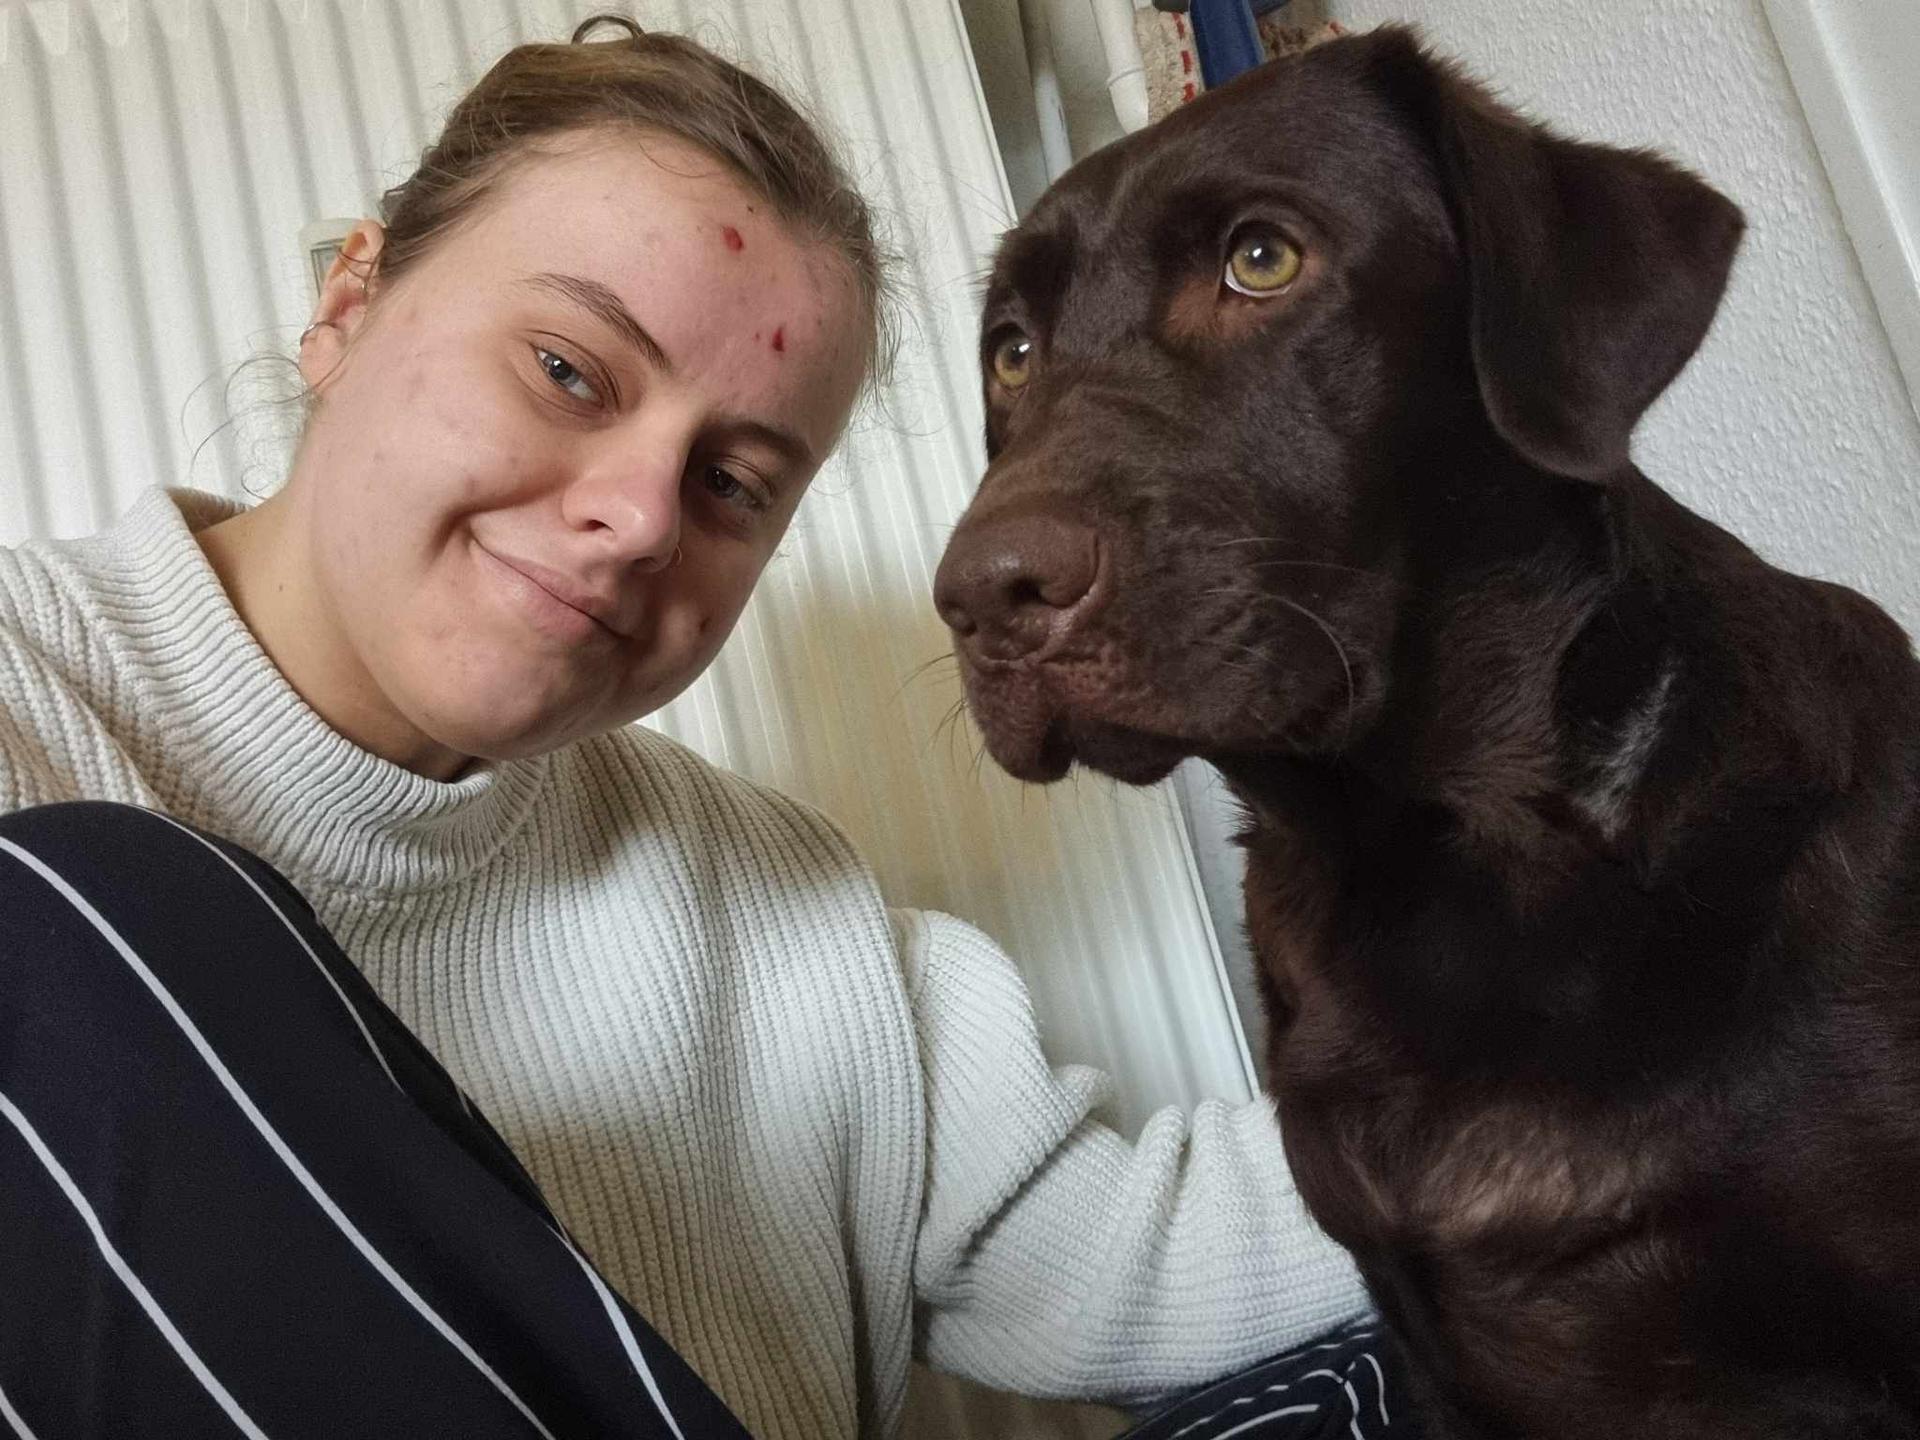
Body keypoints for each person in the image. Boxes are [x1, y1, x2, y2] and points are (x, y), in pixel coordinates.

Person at [0, 14, 1382, 1438]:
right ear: (348, 304)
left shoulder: (783, 911)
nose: (641, 517)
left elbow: (1135, 1254)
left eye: (733, 485)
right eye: (568, 371)